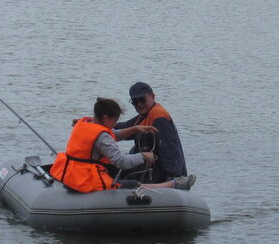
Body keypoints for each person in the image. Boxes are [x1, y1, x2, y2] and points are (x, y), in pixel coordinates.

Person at [50, 97, 196, 193]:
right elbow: (122, 162)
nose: (115, 125)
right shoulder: (101, 136)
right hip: (87, 180)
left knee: (118, 172)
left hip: (73, 175)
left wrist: (135, 128)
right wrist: (143, 156)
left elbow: (114, 134)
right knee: (131, 183)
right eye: (114, 121)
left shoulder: (85, 123)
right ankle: (173, 185)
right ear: (105, 118)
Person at [115, 82, 188, 184]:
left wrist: (172, 177)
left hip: (159, 174)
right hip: (147, 171)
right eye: (135, 102)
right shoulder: (143, 116)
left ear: (152, 96)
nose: (139, 104)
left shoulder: (158, 116)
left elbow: (168, 148)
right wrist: (102, 123)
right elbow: (125, 128)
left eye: (142, 99)